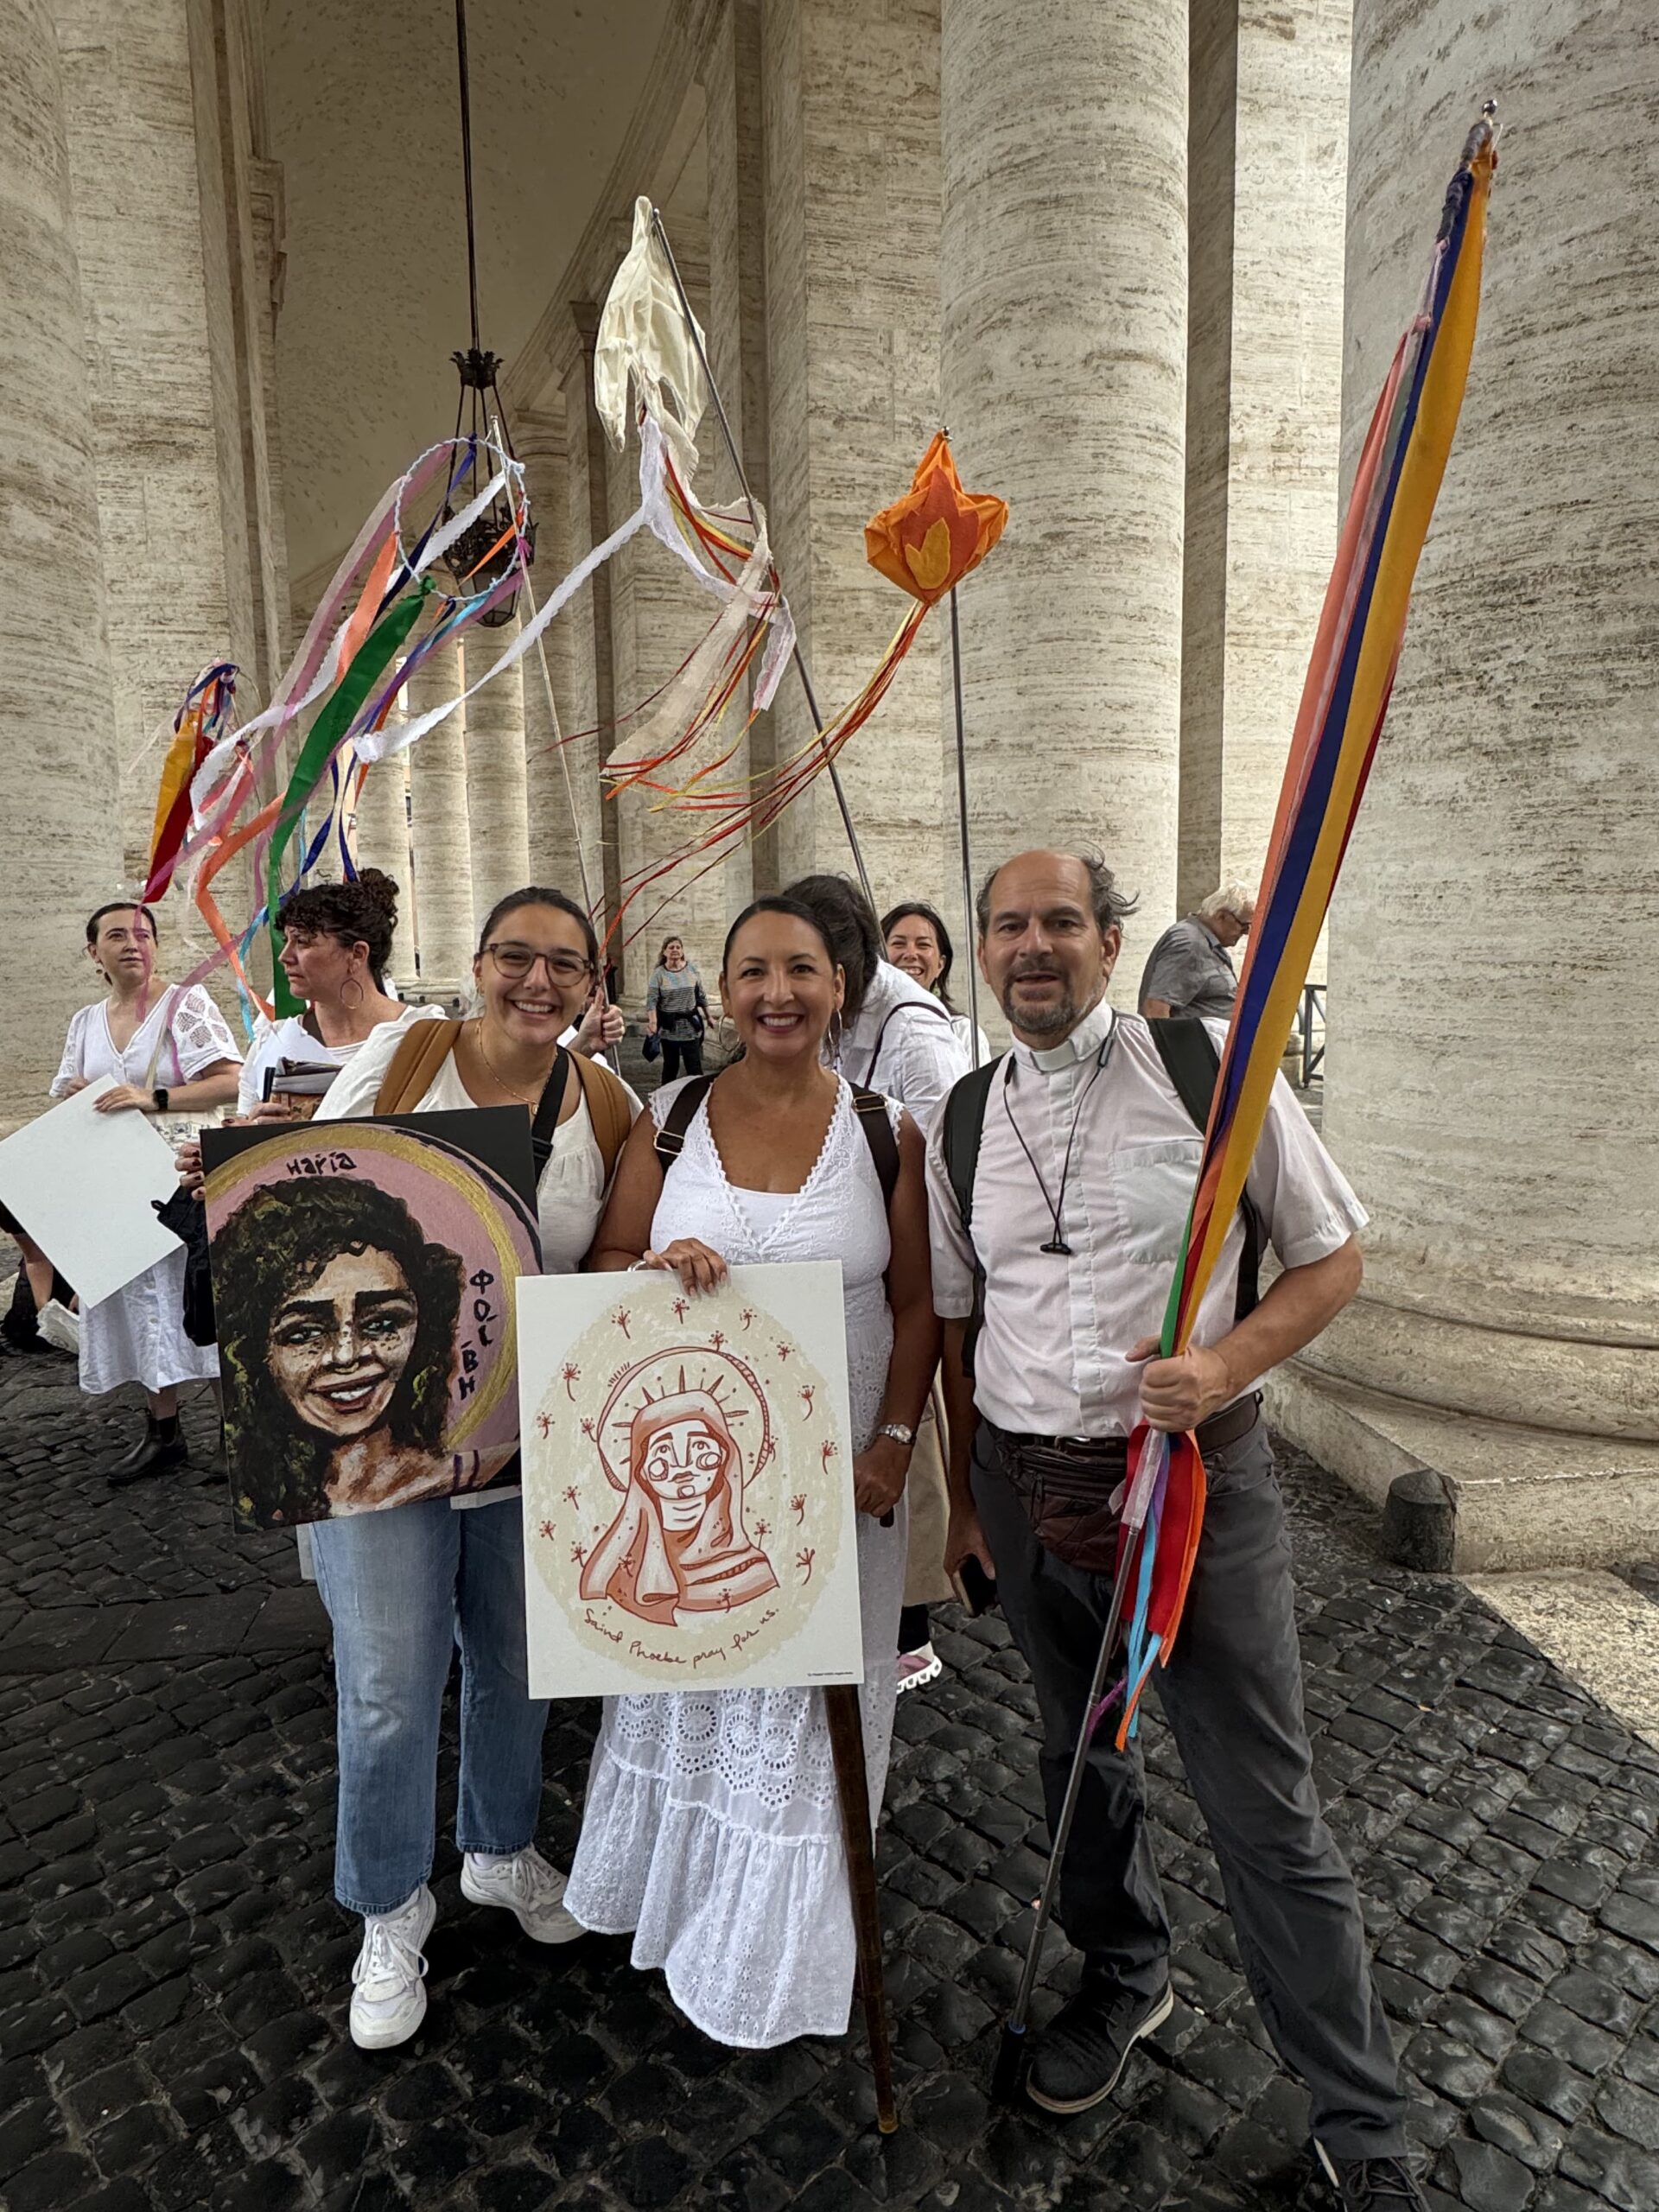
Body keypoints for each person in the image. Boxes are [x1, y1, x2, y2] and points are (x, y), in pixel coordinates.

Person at [931, 850, 1425, 2209]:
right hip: (1028, 1486)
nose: (1034, 947)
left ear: (1110, 940)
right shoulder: (961, 1118)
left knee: (1263, 1799)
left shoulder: (1212, 1072)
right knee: (1077, 1756)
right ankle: (1125, 1973)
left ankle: (1360, 2124)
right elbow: (962, 1322)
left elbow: (1332, 1258)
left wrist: (1219, 1368)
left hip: (1195, 1487)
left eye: (1061, 922)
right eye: (1008, 925)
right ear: (985, 949)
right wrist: (965, 1502)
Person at [569, 895, 939, 2046]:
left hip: (837, 1472)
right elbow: (609, 1257)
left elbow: (920, 1305)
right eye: (753, 972)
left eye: (802, 970)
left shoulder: (886, 1130)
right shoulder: (669, 1117)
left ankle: (779, 1948)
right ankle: (682, 1901)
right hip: (694, 1468)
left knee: (810, 1703)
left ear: (840, 986)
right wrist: (654, 1263)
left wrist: (893, 1441)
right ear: (723, 992)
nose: (777, 993)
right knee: (697, 1674)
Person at [296, 886, 640, 2050]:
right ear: (479, 962)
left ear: (589, 984)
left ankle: (499, 1848)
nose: (538, 982)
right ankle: (390, 1905)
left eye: (564, 965)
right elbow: (300, 1187)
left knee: (518, 1659)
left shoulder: (606, 1100)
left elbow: (617, 1249)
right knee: (389, 1684)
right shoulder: (404, 1059)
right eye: (515, 957)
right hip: (381, 1437)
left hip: (526, 1433)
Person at [794, 874, 969, 1693]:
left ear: (850, 966)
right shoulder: (846, 1010)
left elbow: (941, 1167)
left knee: (906, 1441)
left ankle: (908, 1628)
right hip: (843, 1260)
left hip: (903, 1267)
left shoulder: (915, 1031)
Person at [51, 903, 242, 1483]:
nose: (132, 944)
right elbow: (66, 1094)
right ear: (94, 952)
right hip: (116, 1181)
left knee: (197, 1297)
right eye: (117, 935)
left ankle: (237, 1434)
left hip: (181, 1177)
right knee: (138, 1301)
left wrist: (150, 1097)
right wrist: (84, 1096)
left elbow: (231, 1080)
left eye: (142, 934)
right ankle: (164, 1432)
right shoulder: (85, 1022)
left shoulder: (186, 1005)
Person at [213, 1177, 468, 1524]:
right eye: (305, 1333)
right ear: (257, 1353)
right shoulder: (274, 1502)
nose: (347, 1355)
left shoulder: (480, 1470)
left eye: (381, 1323)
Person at [237, 871, 434, 1116]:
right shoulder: (271, 1044)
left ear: (357, 954)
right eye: (286, 941)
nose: (284, 957)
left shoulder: (427, 1039)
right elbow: (243, 1129)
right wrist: (251, 1130)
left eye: (302, 942)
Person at [883, 899, 990, 1063]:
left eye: (923, 945)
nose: (911, 954)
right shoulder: (860, 1031)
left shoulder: (964, 1035)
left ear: (941, 964)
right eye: (898, 943)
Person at [1138, 881, 1255, 1020]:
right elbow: (1155, 1008)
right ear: (1221, 916)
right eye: (1244, 926)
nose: (1246, 933)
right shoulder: (1189, 943)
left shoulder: (1206, 942)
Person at [644, 936, 709, 1082]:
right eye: (671, 947)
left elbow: (700, 995)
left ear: (682, 951)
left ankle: (698, 1093)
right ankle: (667, 1093)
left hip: (690, 1026)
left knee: (694, 1066)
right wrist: (653, 1023)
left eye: (678, 947)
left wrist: (709, 1016)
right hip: (669, 1027)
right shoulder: (659, 974)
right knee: (671, 1066)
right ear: (664, 952)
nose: (675, 950)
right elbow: (652, 1000)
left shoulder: (691, 969)